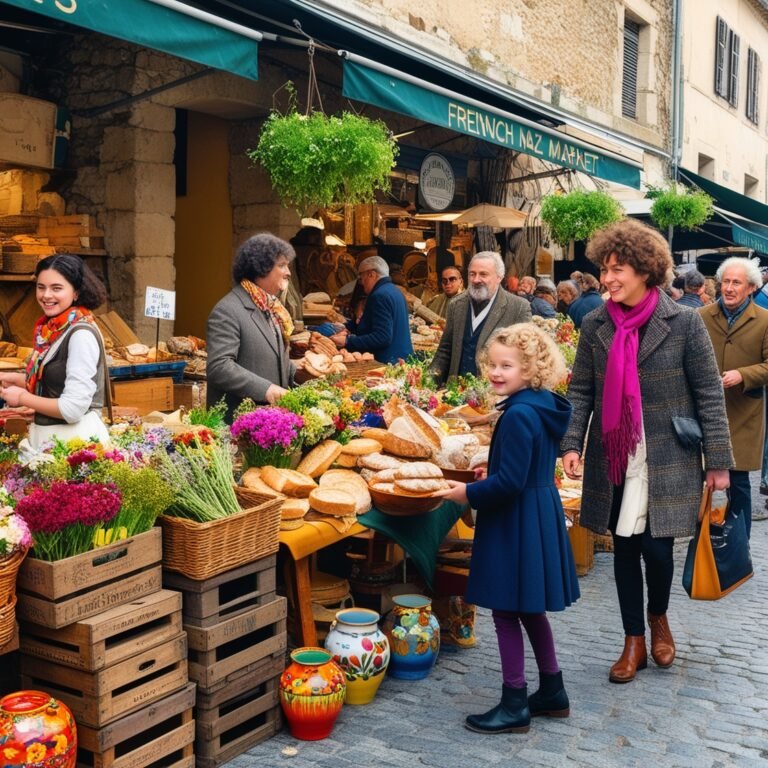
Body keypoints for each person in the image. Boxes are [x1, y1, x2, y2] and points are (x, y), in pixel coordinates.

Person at [561, 219, 733, 684]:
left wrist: (718, 461)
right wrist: (572, 442)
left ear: (645, 270)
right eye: (604, 269)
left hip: (667, 453)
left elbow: (708, 392)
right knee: (623, 547)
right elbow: (581, 390)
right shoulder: (595, 323)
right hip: (615, 453)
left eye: (617, 269)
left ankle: (658, 617)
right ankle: (633, 639)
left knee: (657, 551)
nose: (607, 278)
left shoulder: (684, 323)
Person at [434, 323, 579, 734]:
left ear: (530, 369)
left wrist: (467, 492)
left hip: (515, 518)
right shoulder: (541, 404)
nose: (496, 373)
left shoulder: (517, 414)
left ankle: (515, 701)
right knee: (529, 607)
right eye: (493, 365)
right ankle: (552, 690)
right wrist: (493, 471)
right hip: (535, 510)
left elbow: (511, 483)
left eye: (507, 366)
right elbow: (523, 468)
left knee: (504, 611)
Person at [0, 254, 110, 452]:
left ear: (76, 292)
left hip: (74, 448)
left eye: (56, 288)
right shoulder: (56, 330)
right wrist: (18, 379)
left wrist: (22, 397)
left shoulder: (80, 335)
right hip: (51, 444)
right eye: (41, 287)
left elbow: (72, 408)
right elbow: (59, 381)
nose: (46, 295)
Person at [699, 256, 768, 538]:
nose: (728, 288)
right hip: (703, 411)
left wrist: (743, 374)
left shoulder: (764, 320)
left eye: (736, 283)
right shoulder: (701, 316)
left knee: (738, 482)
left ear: (751, 287)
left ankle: (740, 544)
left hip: (743, 414)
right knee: (698, 477)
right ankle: (699, 539)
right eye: (725, 281)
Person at [207, 233, 298, 419]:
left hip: (271, 423)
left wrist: (300, 369)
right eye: (282, 265)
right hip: (238, 424)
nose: (288, 272)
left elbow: (266, 359)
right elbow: (219, 366)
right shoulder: (227, 310)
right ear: (261, 267)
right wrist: (267, 390)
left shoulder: (271, 307)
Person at [430, 252, 531, 384]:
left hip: (494, 391)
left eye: (483, 274)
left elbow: (525, 358)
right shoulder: (456, 305)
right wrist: (428, 381)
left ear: (499, 277)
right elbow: (445, 350)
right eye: (472, 274)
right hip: (454, 392)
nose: (476, 280)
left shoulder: (518, 308)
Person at [330, 255, 412, 364]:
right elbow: (371, 322)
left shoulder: (380, 295)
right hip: (401, 359)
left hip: (388, 362)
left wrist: (348, 341)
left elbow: (382, 337)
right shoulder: (395, 291)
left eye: (361, 277)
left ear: (371, 274)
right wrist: (348, 327)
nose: (361, 282)